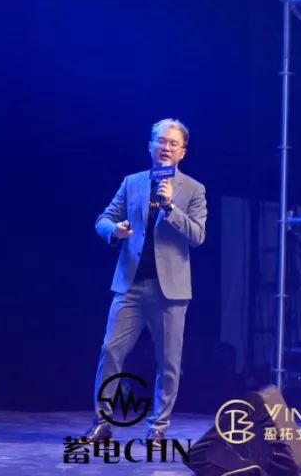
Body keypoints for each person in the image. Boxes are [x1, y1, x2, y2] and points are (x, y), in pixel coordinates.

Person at [83, 118, 207, 443]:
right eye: (160, 141)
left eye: (173, 143)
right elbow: (103, 219)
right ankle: (102, 422)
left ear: (182, 152)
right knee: (110, 350)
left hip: (171, 291)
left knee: (168, 361)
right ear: (150, 145)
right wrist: (114, 231)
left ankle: (158, 427)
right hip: (130, 284)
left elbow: (198, 235)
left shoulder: (193, 189)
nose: (166, 147)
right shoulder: (132, 182)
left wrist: (171, 208)